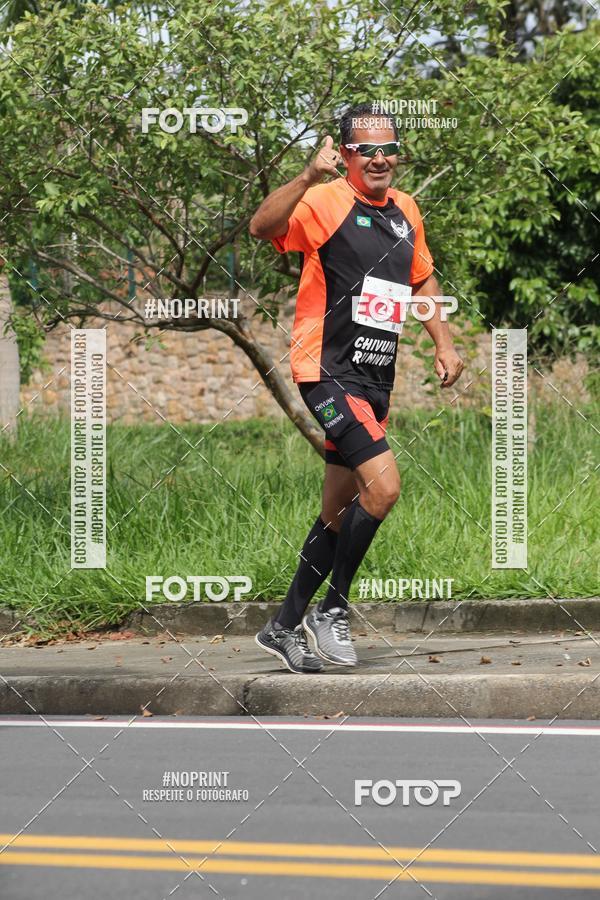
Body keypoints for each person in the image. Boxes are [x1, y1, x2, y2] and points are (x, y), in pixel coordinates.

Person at [249, 101, 463, 673]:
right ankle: (333, 611)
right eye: (366, 148)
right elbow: (261, 228)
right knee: (385, 488)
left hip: (376, 377)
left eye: (388, 147)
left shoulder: (405, 210)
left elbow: (423, 276)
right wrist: (304, 176)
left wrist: (442, 340)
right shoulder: (324, 200)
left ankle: (282, 627)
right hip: (325, 369)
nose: (379, 158)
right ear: (345, 154)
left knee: (339, 512)